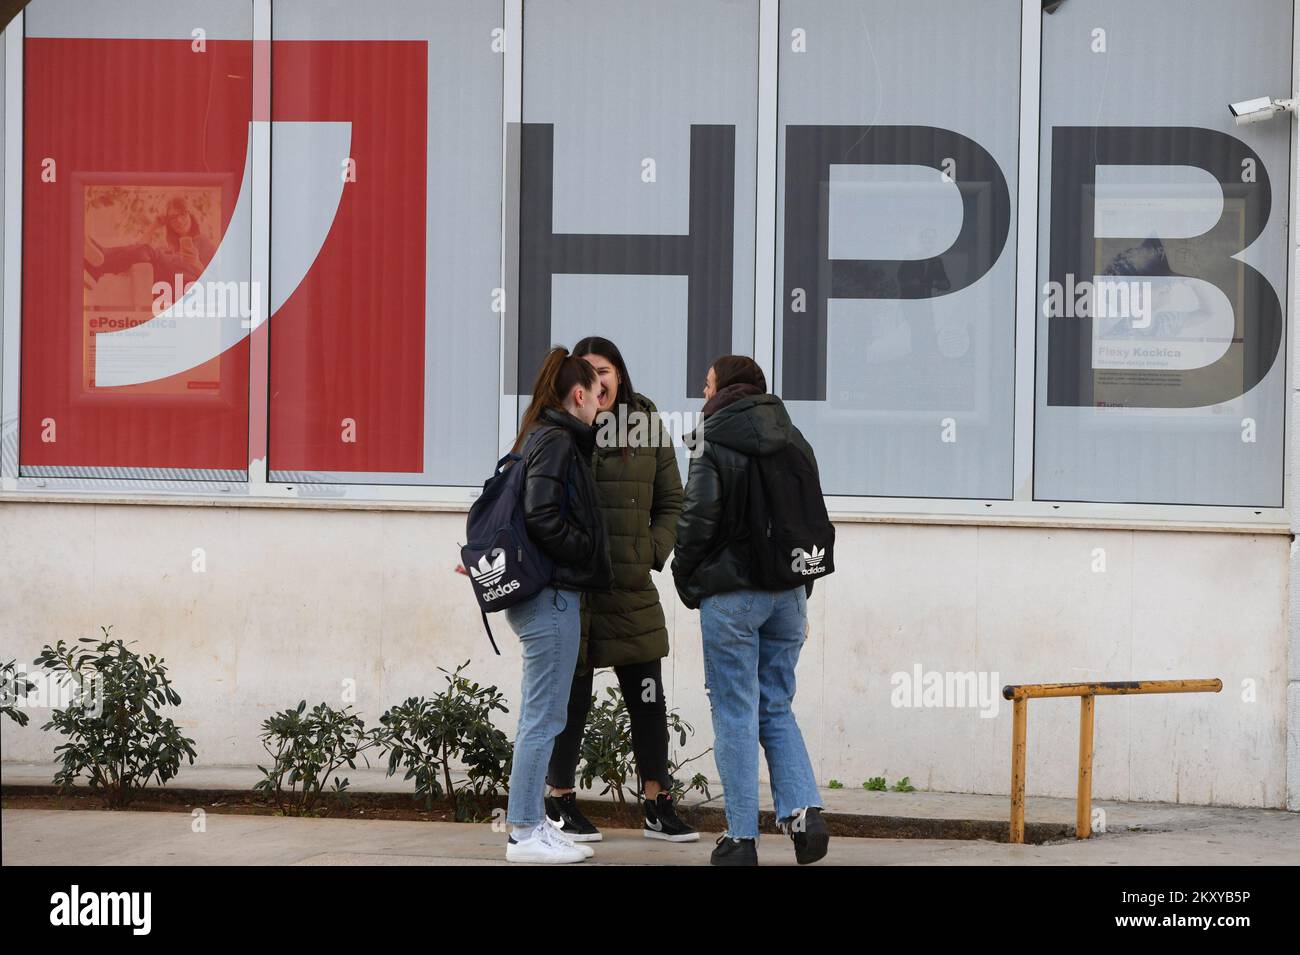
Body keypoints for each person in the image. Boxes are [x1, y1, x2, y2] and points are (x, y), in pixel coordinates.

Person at [672, 355, 829, 866]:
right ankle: (805, 812)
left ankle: (741, 838)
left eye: (708, 381)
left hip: (733, 595)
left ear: (725, 388)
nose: (702, 389)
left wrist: (686, 578)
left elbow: (697, 519)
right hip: (788, 594)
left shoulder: (711, 437)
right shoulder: (794, 437)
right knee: (776, 704)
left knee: (736, 712)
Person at [542, 337, 696, 843]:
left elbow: (673, 500)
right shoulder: (565, 424)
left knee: (647, 697)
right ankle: (558, 799)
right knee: (571, 698)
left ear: (620, 375)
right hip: (576, 588)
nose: (596, 380)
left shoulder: (646, 424)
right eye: (586, 371)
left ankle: (657, 802)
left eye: (604, 370)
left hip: (629, 587)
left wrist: (651, 550)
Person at [499, 346, 614, 863]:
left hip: (545, 596)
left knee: (542, 715)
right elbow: (543, 517)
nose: (601, 404)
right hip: (551, 598)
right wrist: (586, 550)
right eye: (597, 393)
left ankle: (531, 823)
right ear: (578, 395)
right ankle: (523, 832)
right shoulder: (558, 441)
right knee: (543, 718)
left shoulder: (541, 436)